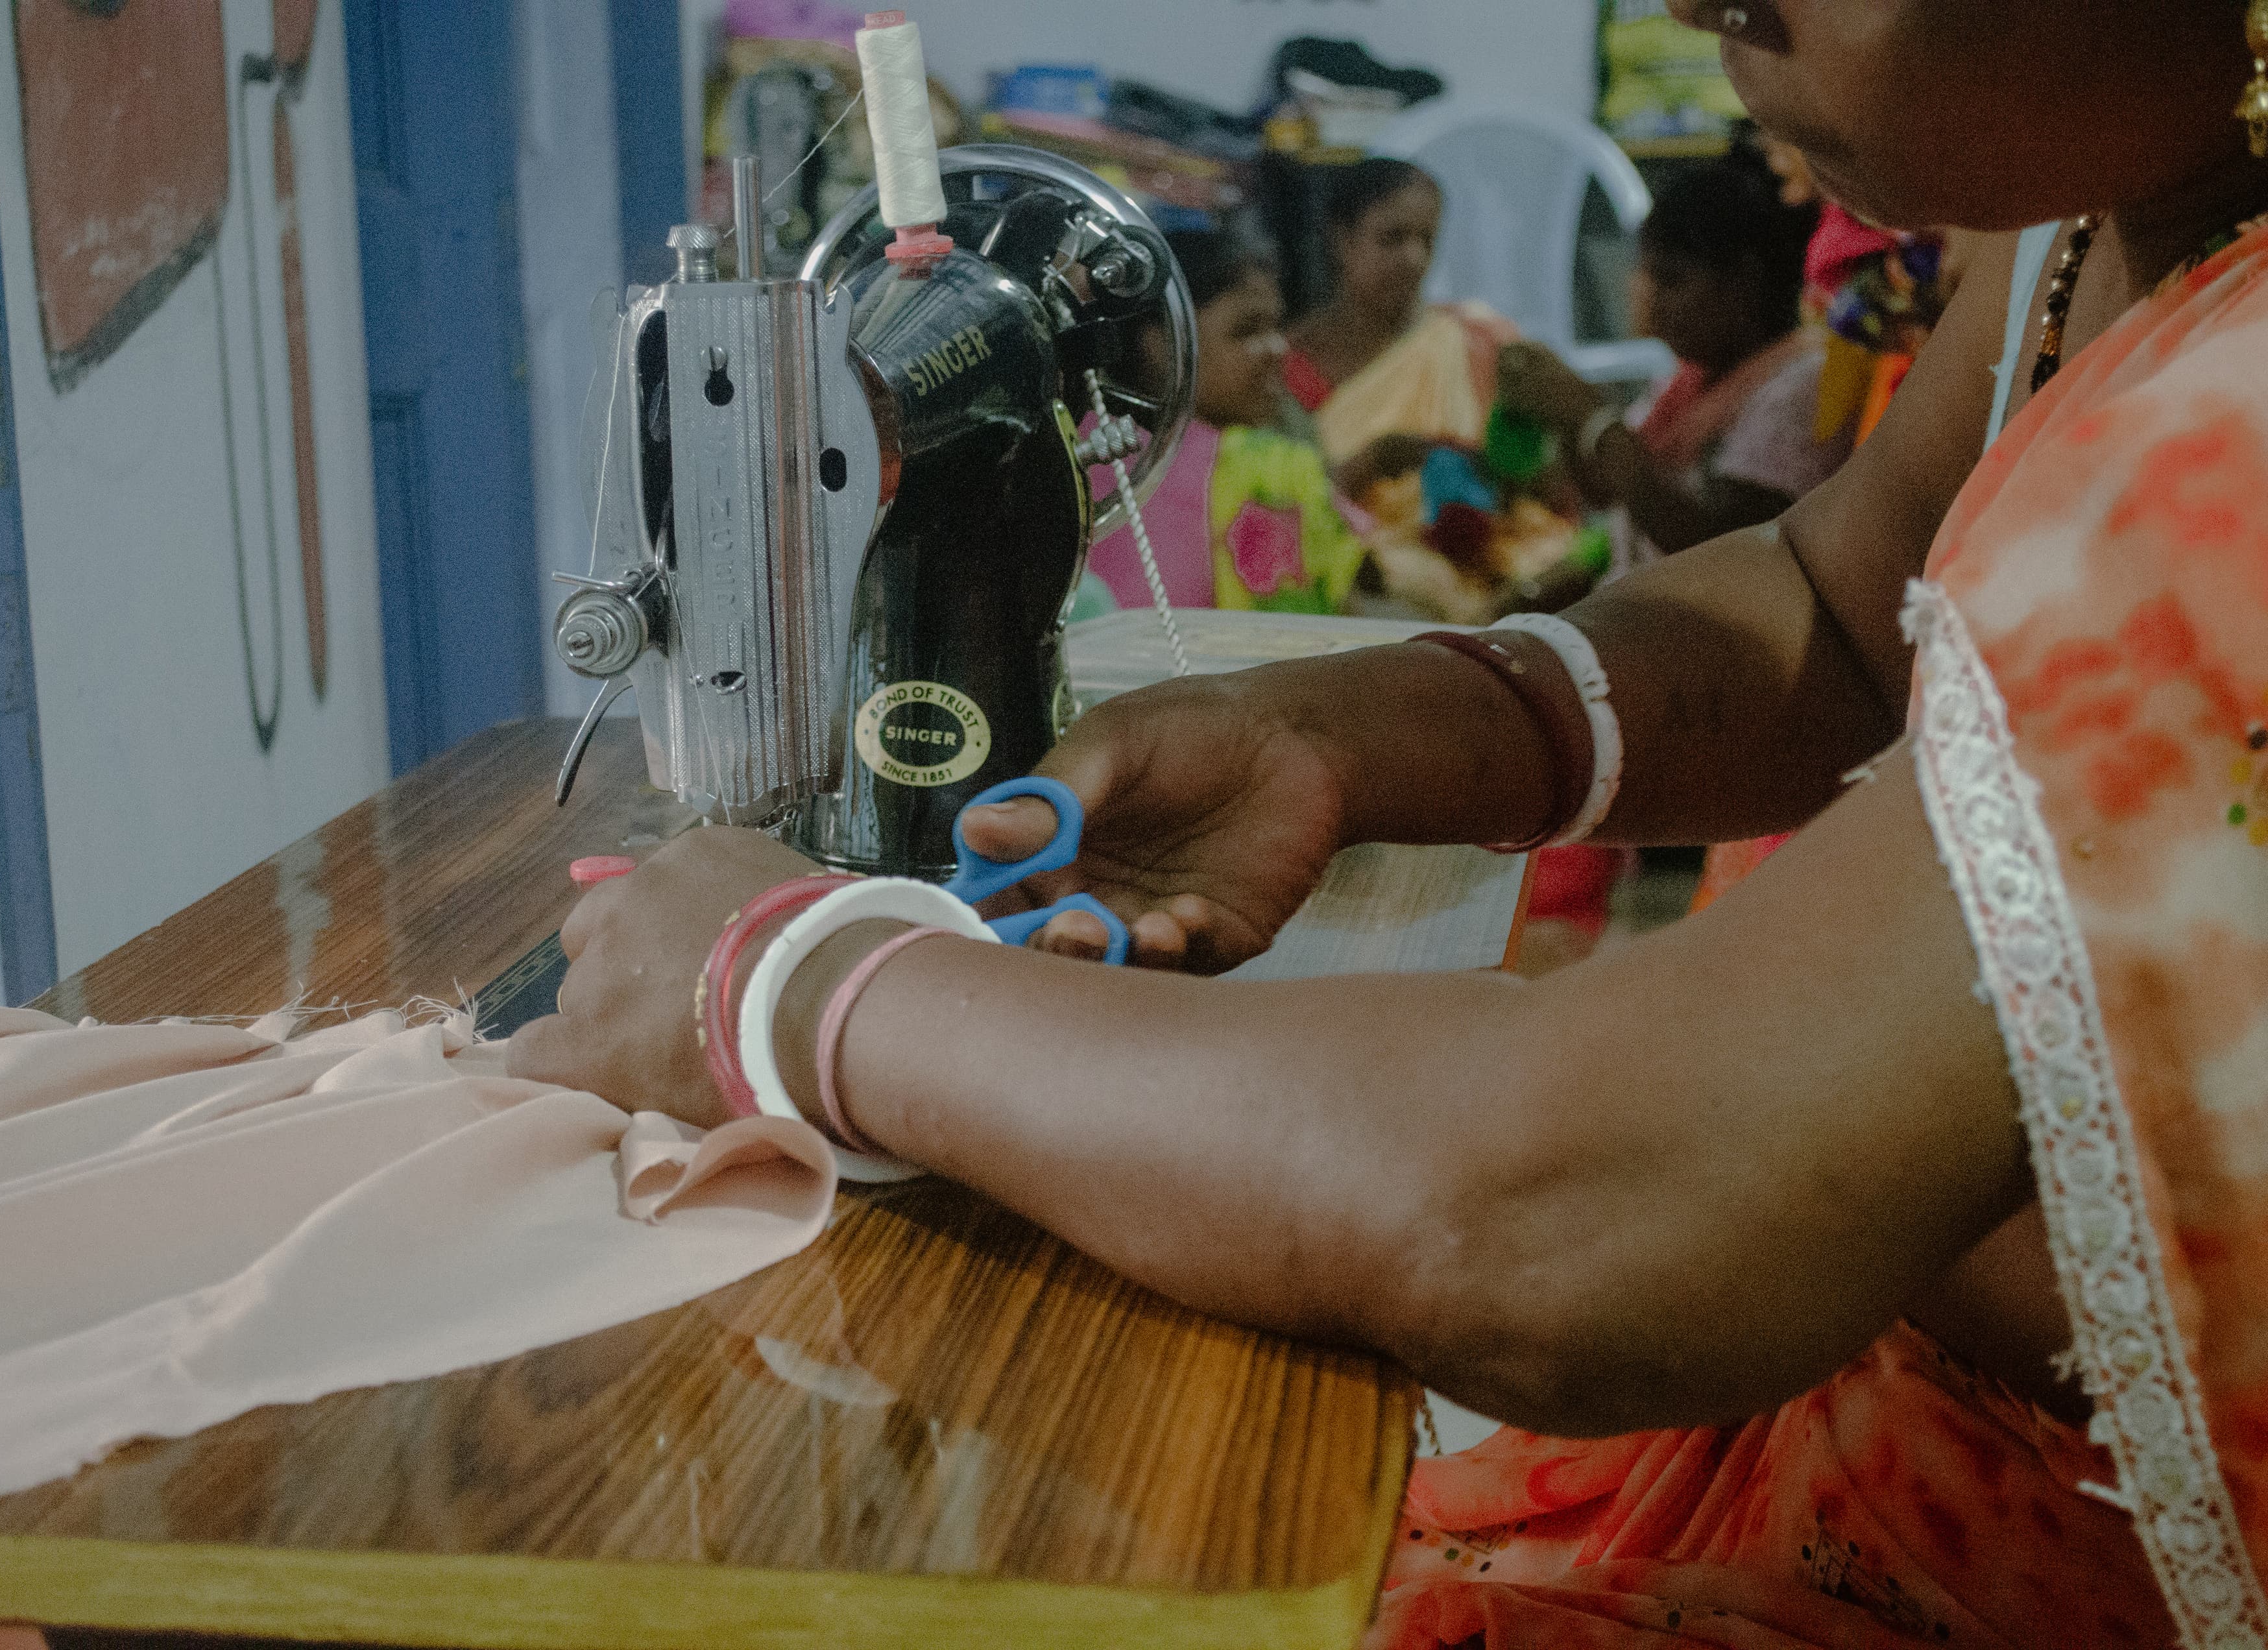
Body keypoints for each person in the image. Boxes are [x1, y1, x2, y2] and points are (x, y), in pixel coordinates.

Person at [514, 0, 2268, 1641]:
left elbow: (1571, 1217)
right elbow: (1845, 596)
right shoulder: (2101, 200)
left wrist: (794, 982)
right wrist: (1355, 734)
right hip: (1845, 1438)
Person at [1495, 156, 1847, 570]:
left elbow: (1716, 546)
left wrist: (1590, 415)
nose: (1649, 297)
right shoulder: (1687, 382)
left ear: (1742, 283)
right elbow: (1608, 492)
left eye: (1670, 278)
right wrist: (1562, 416)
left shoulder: (1802, 384)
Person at [1083, 228, 1371, 617]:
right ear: (1163, 343)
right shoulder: (1265, 469)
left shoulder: (1075, 446)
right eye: (1247, 330)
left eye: (1276, 327)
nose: (1278, 349)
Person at [1285, 158, 1517, 435]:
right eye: (1392, 238)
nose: (1414, 259)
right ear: (1342, 240)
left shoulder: (1477, 341)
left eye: (1427, 239)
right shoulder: (1288, 366)